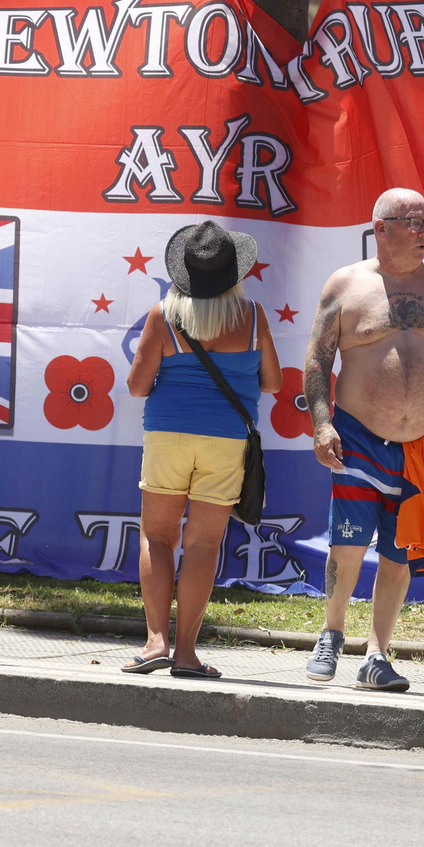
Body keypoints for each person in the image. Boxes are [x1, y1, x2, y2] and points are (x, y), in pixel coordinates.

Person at [303, 188, 424, 691]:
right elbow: (318, 360)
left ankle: (377, 654)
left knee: (401, 550)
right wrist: (322, 424)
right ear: (381, 227)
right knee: (348, 546)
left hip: (421, 445)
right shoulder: (347, 285)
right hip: (358, 438)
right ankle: (332, 631)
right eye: (413, 222)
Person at [125, 221, 281, 679]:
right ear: (233, 271)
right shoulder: (252, 316)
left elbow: (137, 387)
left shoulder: (163, 315)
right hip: (227, 439)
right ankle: (187, 655)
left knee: (157, 536)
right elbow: (272, 382)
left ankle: (155, 642)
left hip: (168, 435)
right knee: (203, 544)